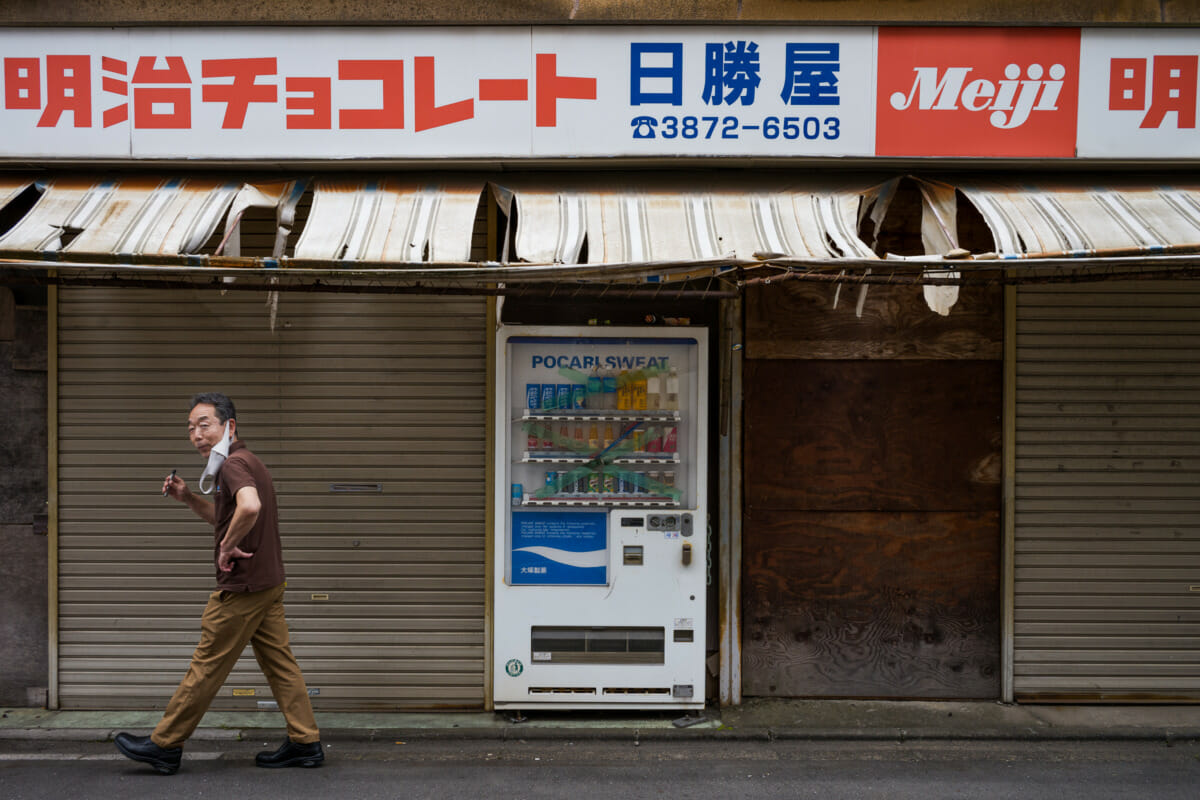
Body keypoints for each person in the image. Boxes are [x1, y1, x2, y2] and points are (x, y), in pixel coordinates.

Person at [114, 392, 323, 775]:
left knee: (207, 664)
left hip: (243, 587)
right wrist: (188, 498)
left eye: (204, 424)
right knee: (281, 666)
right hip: (268, 582)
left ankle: (164, 744)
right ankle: (305, 742)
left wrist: (227, 548)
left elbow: (249, 507)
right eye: (191, 427)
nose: (196, 434)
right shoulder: (247, 461)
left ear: (230, 425)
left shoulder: (232, 465)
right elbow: (226, 516)